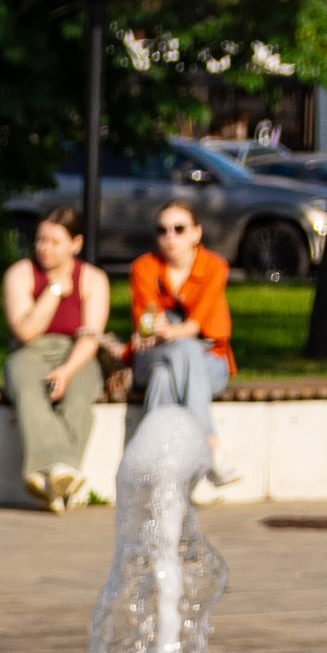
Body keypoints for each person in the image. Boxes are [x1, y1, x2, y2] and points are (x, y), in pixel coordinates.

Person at [1, 204, 111, 511]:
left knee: (80, 396)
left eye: (54, 242)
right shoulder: (19, 274)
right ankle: (62, 471)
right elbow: (26, 332)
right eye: (40, 240)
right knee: (29, 392)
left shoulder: (94, 279)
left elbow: (91, 337)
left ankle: (47, 480)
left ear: (76, 243)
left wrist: (66, 371)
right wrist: (54, 290)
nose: (44, 248)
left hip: (76, 352)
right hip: (29, 352)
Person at [128, 196, 238, 483]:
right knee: (182, 351)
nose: (170, 237)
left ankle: (154, 468)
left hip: (210, 361)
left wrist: (169, 330)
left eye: (179, 229)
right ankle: (210, 448)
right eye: (162, 230)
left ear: (196, 233)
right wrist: (165, 331)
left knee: (165, 376)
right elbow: (147, 327)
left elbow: (194, 325)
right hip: (152, 356)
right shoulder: (144, 267)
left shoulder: (215, 267)